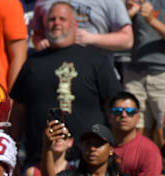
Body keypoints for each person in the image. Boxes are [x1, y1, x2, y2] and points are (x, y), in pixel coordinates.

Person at [9, 1, 122, 166]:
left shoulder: (96, 59)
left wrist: (114, 148)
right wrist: (13, 151)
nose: (57, 23)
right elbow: (18, 110)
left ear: (75, 24)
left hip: (87, 162)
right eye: (52, 19)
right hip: (39, 161)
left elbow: (113, 104)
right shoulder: (32, 62)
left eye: (62, 19)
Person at [123, 0, 165, 147]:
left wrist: (152, 20)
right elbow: (116, 33)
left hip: (161, 74)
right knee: (135, 129)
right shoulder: (128, 2)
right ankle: (138, 167)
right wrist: (126, 16)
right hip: (133, 73)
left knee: (162, 130)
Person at [31, 0, 133, 53]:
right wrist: (40, 43)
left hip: (94, 74)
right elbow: (37, 34)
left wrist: (92, 39)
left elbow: (127, 40)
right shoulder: (44, 1)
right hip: (53, 71)